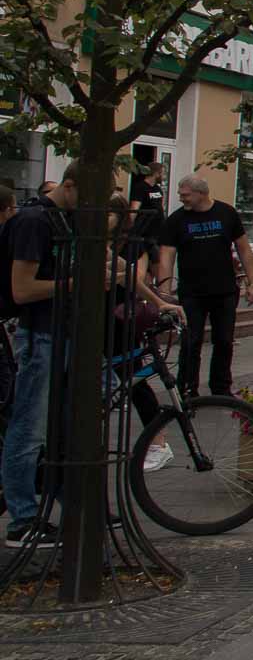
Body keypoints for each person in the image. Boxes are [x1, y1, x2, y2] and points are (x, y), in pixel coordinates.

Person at [6, 164, 90, 548]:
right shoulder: (34, 221)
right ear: (69, 186)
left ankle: (66, 504)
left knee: (60, 426)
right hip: (40, 333)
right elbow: (22, 289)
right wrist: (77, 283)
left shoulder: (64, 220)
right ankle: (21, 518)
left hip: (64, 331)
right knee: (29, 426)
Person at [156, 174, 253, 399]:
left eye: (186, 195)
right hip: (192, 292)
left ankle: (220, 387)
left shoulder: (226, 213)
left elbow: (244, 249)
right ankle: (188, 388)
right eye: (181, 195)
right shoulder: (176, 221)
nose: (182, 199)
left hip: (225, 290)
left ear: (201, 193)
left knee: (224, 340)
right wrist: (163, 294)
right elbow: (166, 257)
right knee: (191, 342)